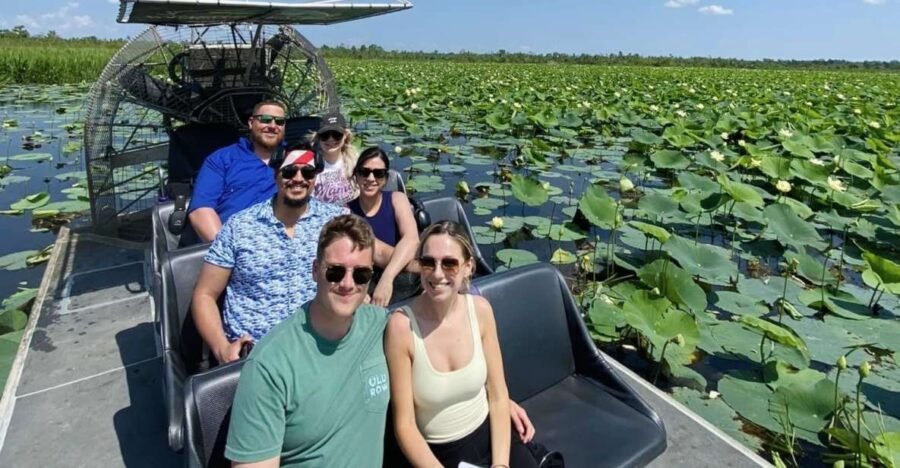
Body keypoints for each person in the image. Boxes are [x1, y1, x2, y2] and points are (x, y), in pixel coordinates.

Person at [225, 216, 535, 467]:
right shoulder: (270, 365)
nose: (347, 284)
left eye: (360, 275)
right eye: (335, 272)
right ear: (315, 270)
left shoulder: (379, 325)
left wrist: (493, 397)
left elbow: (434, 338)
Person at [385, 221, 538, 468]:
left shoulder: (480, 311)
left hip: (490, 434)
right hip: (437, 455)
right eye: (428, 262)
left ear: (468, 267)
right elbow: (405, 425)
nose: (437, 273)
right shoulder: (401, 327)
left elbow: (498, 396)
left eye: (449, 263)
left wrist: (501, 465)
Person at [191, 148, 347, 364]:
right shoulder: (239, 227)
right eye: (290, 172)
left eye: (308, 173)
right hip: (257, 355)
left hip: (321, 348)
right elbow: (205, 295)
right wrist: (222, 349)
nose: (298, 179)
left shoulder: (336, 221)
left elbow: (371, 255)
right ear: (275, 175)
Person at [188, 100, 286, 242]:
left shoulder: (295, 158)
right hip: (231, 246)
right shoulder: (222, 159)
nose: (272, 126)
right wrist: (227, 252)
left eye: (279, 122)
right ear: (251, 123)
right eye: (265, 119)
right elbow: (201, 210)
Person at [348, 147, 419, 307]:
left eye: (378, 173)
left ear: (385, 179)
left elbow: (411, 239)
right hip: (368, 276)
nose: (371, 178)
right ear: (356, 176)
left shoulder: (397, 199)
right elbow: (376, 251)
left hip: (397, 275)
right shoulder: (347, 211)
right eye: (364, 172)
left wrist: (387, 279)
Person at [309, 111, 360, 205]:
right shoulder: (310, 164)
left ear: (346, 136)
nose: (330, 139)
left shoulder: (356, 162)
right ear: (318, 138)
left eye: (337, 135)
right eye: (325, 135)